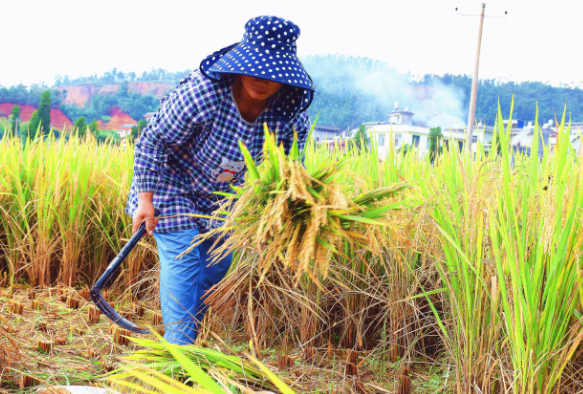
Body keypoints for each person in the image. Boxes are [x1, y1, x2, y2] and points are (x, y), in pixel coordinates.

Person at [126, 15, 315, 345]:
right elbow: (153, 141)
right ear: (241, 62)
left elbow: (289, 173)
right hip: (173, 181)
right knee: (183, 255)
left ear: (285, 77)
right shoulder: (204, 94)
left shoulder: (289, 113)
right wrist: (145, 200)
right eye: (255, 68)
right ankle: (180, 351)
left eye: (271, 74)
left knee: (216, 263)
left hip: (224, 194)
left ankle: (189, 332)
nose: (261, 80)